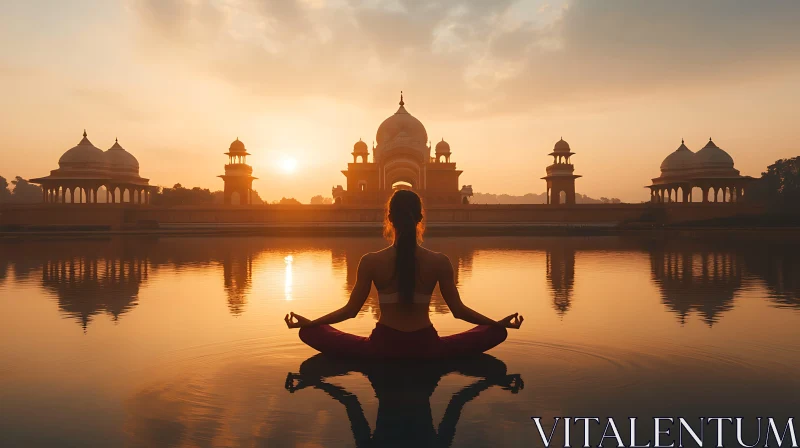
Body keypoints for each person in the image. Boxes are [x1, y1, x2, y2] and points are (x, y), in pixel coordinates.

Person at [285, 189, 523, 359]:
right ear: (420, 218)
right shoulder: (439, 262)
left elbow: (350, 311)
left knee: (311, 332)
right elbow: (459, 312)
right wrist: (496, 324)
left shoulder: (371, 261)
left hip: (381, 349)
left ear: (389, 218)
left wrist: (312, 323)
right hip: (427, 349)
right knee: (494, 332)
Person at [285, 353, 523, 447]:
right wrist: (493, 380)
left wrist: (313, 382)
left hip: (384, 361)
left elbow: (351, 400)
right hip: (423, 363)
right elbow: (457, 399)